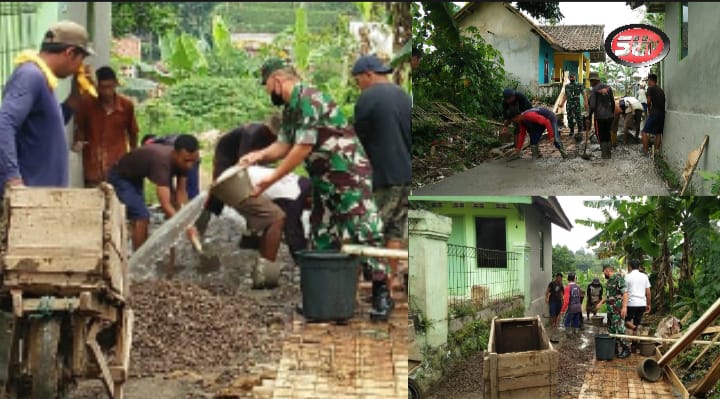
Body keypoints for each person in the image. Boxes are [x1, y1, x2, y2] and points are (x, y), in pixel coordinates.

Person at [239, 58, 393, 321]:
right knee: (321, 235)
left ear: (276, 80)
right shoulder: (291, 108)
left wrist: (271, 178)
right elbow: (285, 143)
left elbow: (302, 148)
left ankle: (382, 294)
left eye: (266, 85)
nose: (267, 92)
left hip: (347, 175)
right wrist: (258, 156)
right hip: (324, 181)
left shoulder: (310, 99)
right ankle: (326, 298)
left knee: (364, 231)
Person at [195, 121, 312, 273]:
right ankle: (264, 275)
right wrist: (305, 263)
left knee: (271, 215)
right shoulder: (296, 193)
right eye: (310, 205)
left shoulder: (297, 185)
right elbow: (294, 233)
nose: (308, 208)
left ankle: (253, 245)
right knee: (277, 219)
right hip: (233, 174)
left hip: (243, 177)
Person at [0, 21, 93, 199]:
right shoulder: (31, 76)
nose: (80, 67)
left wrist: (75, 97)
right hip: (30, 197)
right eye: (82, 59)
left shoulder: (45, 79)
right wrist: (13, 180)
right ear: (70, 52)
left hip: (45, 196)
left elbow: (46, 126)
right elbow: (4, 124)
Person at [351, 54, 412, 299]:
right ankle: (386, 285)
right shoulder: (403, 96)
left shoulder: (368, 98)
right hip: (406, 176)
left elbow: (358, 142)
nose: (359, 86)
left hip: (383, 178)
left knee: (371, 232)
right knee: (394, 232)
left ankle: (374, 293)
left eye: (358, 80)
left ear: (368, 74)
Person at [107, 134, 200, 251]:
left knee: (169, 212)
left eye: (193, 161)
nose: (189, 165)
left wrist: (187, 220)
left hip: (136, 177)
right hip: (121, 177)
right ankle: (138, 261)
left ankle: (160, 261)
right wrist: (186, 226)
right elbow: (165, 204)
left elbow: (181, 193)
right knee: (141, 216)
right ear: (175, 153)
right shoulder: (162, 162)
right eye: (186, 161)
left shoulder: (184, 162)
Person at [73, 66, 139, 187]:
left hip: (118, 165)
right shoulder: (86, 105)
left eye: (110, 87)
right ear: (97, 87)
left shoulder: (126, 106)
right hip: (93, 167)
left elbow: (133, 133)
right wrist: (79, 143)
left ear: (116, 84)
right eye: (103, 88)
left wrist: (133, 156)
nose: (107, 92)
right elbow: (80, 129)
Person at [140, 134, 200, 199]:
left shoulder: (150, 146)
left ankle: (186, 204)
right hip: (193, 156)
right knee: (190, 190)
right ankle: (192, 204)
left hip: (182, 157)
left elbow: (165, 183)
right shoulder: (165, 139)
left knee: (171, 188)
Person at [595, 265, 631, 358]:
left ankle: (626, 349)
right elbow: (607, 296)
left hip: (617, 310)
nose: (604, 275)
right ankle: (613, 348)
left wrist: (624, 307)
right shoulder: (609, 281)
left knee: (619, 329)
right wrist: (600, 303)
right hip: (610, 310)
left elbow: (625, 293)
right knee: (611, 330)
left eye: (604, 273)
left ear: (607, 271)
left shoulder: (618, 278)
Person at [587, 71, 617, 159]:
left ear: (593, 81)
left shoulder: (594, 89)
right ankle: (609, 154)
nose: (590, 83)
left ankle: (604, 154)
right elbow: (613, 102)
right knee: (607, 133)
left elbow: (592, 106)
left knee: (602, 135)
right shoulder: (608, 88)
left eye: (590, 81)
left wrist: (589, 117)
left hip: (600, 117)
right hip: (609, 116)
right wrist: (611, 113)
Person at [625, 259, 651, 350]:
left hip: (631, 303)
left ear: (630, 267)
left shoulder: (627, 277)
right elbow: (648, 292)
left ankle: (635, 328)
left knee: (626, 321)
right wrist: (648, 304)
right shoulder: (644, 276)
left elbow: (625, 292)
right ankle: (634, 344)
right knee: (636, 322)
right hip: (641, 304)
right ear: (639, 267)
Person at [641, 74, 666, 155]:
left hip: (654, 113)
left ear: (650, 80)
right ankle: (656, 152)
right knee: (658, 133)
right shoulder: (661, 90)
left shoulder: (650, 88)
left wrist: (649, 109)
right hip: (662, 113)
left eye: (648, 81)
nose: (647, 82)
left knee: (644, 132)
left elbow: (648, 102)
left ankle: (645, 151)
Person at [558, 73, 585, 138]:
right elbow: (565, 95)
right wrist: (562, 103)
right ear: (569, 78)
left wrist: (586, 103)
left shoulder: (579, 85)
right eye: (570, 77)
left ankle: (580, 131)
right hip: (569, 105)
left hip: (576, 104)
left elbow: (584, 94)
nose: (571, 78)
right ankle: (571, 131)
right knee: (569, 118)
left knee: (578, 117)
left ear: (575, 77)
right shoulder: (567, 86)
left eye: (573, 77)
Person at [561, 273, 584, 337]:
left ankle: (569, 335)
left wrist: (562, 310)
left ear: (568, 279)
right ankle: (576, 334)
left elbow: (566, 301)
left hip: (571, 308)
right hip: (578, 307)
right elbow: (580, 296)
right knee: (576, 321)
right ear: (574, 279)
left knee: (566, 322)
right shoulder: (577, 287)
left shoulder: (567, 287)